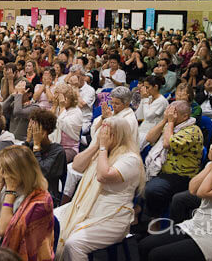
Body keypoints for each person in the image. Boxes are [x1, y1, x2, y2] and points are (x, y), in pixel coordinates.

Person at [139, 130, 212, 261]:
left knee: (156, 255)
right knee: (144, 245)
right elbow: (193, 188)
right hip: (196, 224)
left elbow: (204, 193)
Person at [54, 117, 144, 261]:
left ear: (117, 136)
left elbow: (103, 175)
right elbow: (77, 165)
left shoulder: (130, 158)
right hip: (86, 206)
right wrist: (96, 146)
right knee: (50, 219)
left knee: (73, 243)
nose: (103, 136)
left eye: (107, 133)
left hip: (112, 216)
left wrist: (103, 147)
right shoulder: (102, 152)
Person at [0, 145, 54, 261]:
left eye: (7, 170)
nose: (3, 175)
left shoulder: (41, 201)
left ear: (23, 172)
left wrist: (10, 192)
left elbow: (4, 231)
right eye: (1, 169)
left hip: (14, 256)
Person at [143, 101, 203, 220]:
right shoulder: (170, 126)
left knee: (151, 190)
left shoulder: (193, 130)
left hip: (181, 175)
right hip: (162, 170)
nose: (170, 115)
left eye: (173, 113)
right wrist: (165, 120)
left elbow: (167, 144)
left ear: (185, 116)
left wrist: (170, 122)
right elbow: (150, 138)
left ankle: (153, 219)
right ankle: (140, 217)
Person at [25, 109, 66, 204]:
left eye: (35, 128)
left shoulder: (58, 151)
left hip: (47, 196)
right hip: (28, 191)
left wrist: (36, 147)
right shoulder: (30, 145)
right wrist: (27, 140)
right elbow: (19, 165)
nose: (33, 131)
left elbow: (42, 172)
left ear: (44, 132)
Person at [51, 83, 83, 162]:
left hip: (69, 148)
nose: (61, 100)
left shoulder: (76, 112)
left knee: (55, 161)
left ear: (71, 98)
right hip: (53, 145)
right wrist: (54, 107)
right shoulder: (58, 108)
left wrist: (62, 107)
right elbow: (47, 123)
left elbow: (64, 125)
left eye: (64, 98)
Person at [135, 76, 168, 149]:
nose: (145, 90)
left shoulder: (161, 101)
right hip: (143, 128)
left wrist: (145, 99)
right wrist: (143, 99)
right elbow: (139, 115)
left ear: (155, 87)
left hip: (153, 132)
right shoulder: (149, 98)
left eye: (147, 87)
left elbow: (148, 117)